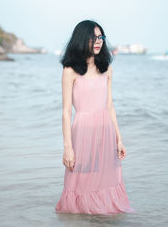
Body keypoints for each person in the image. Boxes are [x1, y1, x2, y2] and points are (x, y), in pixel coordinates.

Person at [55, 20, 136, 215]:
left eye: (101, 37)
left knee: (105, 178)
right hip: (82, 131)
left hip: (105, 130)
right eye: (93, 37)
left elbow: (109, 105)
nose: (98, 41)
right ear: (82, 40)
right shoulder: (70, 71)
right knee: (80, 179)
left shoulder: (106, 69)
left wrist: (119, 139)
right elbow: (66, 112)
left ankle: (101, 217)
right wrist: (67, 147)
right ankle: (79, 217)